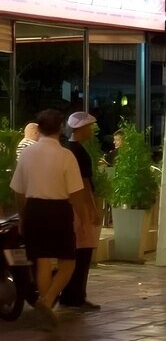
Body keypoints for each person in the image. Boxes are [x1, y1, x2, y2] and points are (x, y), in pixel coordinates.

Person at [9, 109, 94, 325]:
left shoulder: (27, 154)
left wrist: (22, 216)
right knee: (68, 261)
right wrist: (84, 220)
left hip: (34, 209)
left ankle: (46, 310)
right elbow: (76, 193)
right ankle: (46, 303)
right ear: (60, 128)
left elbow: (18, 191)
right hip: (58, 210)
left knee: (42, 260)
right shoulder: (66, 155)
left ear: (39, 128)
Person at [59, 112, 102, 310]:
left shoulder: (65, 149)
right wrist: (92, 210)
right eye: (89, 127)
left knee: (73, 251)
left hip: (66, 205)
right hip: (79, 206)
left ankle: (69, 294)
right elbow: (84, 184)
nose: (91, 131)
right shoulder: (79, 153)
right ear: (80, 129)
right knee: (83, 251)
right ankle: (75, 296)